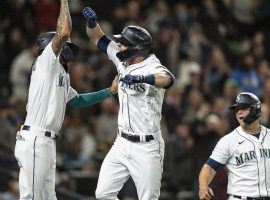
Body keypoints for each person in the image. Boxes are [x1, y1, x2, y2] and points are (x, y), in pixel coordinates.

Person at [14, 1, 118, 199]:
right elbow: (63, 32)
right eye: (63, 46)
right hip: (36, 139)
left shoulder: (59, 73)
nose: (66, 47)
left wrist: (109, 91)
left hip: (47, 142)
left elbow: (78, 101)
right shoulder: (45, 63)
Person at [82, 6, 175, 200]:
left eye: (123, 43)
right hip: (122, 142)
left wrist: (143, 78)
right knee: (103, 193)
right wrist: (92, 23)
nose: (119, 45)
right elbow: (97, 37)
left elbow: (168, 79)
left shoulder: (152, 65)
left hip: (147, 146)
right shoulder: (122, 59)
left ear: (136, 48)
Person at [198, 92, 270, 200]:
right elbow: (209, 167)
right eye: (237, 109)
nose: (239, 112)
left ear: (256, 110)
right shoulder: (228, 140)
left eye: (243, 108)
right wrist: (203, 186)